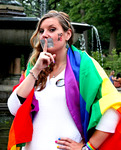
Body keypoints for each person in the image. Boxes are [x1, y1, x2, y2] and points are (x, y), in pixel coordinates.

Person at [7, 10, 121, 150]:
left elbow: (114, 106)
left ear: (68, 34)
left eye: (52, 29)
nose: (45, 35)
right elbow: (13, 108)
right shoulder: (34, 67)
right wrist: (36, 71)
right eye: (41, 31)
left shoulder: (85, 66)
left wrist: (88, 148)